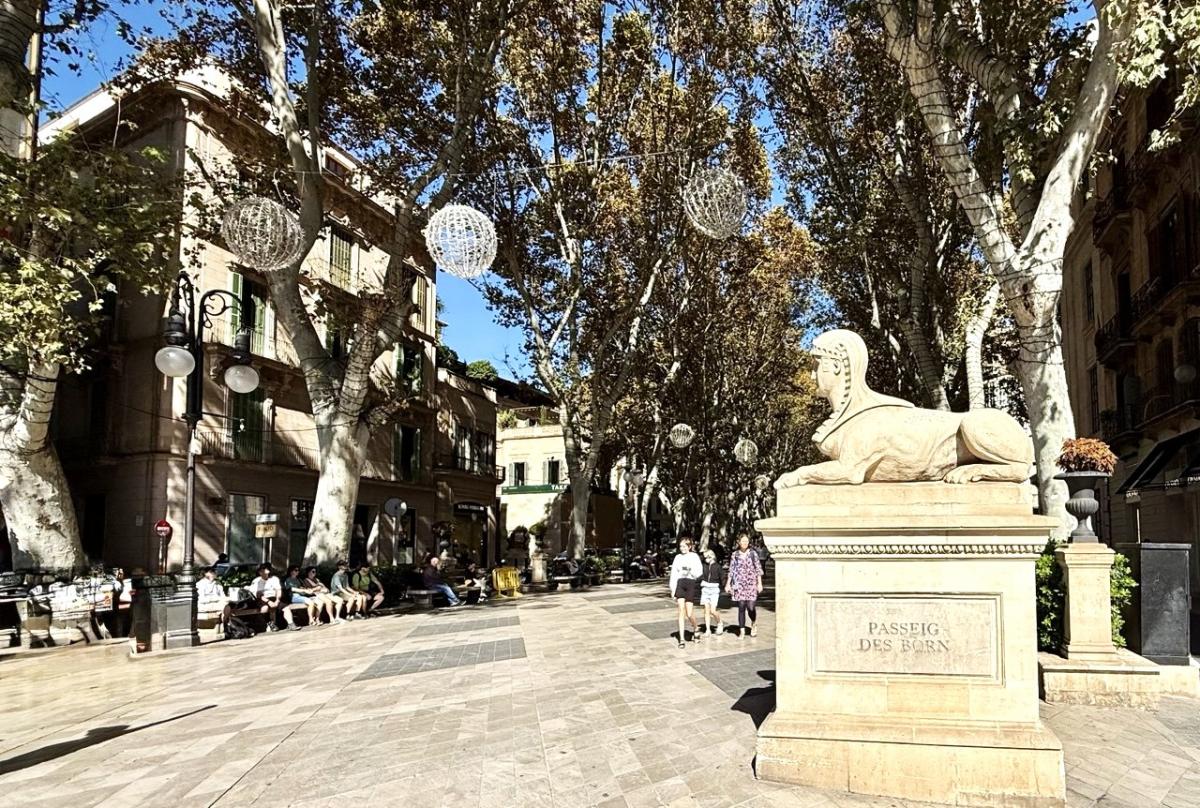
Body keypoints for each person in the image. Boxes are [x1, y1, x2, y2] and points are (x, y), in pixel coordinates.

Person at [726, 533, 763, 637]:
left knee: (751, 607)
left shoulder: (753, 554)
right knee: (741, 606)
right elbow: (731, 570)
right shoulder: (735, 555)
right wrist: (728, 584)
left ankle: (753, 622)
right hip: (739, 584)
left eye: (746, 541)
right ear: (739, 542)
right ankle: (741, 630)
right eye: (743, 541)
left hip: (751, 583)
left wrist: (759, 583)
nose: (745, 543)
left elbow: (758, 569)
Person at [668, 537, 702, 648]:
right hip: (680, 584)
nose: (682, 548)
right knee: (681, 610)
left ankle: (696, 627)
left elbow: (699, 571)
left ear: (689, 546)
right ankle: (681, 639)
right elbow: (674, 574)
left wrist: (691, 571)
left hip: (690, 583)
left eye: (684, 546)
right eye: (681, 546)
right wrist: (673, 589)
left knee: (689, 612)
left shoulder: (694, 556)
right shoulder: (677, 557)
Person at [250, 563, 298, 631]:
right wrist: (269, 602)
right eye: (263, 569)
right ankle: (270, 623)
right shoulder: (256, 581)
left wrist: (277, 600)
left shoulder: (274, 579)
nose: (266, 570)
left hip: (274, 597)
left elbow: (278, 590)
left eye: (267, 568)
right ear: (260, 572)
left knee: (286, 607)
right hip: (263, 598)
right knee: (265, 608)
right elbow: (258, 595)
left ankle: (291, 624)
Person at [698, 549, 725, 637]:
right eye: (705, 557)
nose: (706, 559)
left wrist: (724, 586)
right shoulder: (704, 566)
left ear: (712, 556)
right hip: (705, 588)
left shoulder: (717, 566)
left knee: (713, 611)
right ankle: (708, 629)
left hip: (714, 589)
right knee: (706, 611)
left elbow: (722, 578)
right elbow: (700, 575)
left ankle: (719, 623)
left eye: (708, 557)